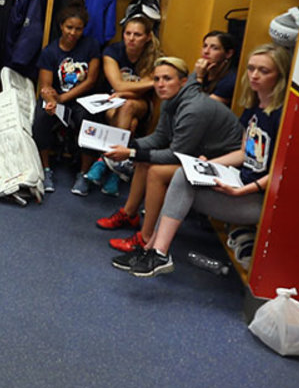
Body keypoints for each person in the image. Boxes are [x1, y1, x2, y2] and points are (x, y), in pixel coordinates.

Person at [115, 45, 289, 276]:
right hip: (237, 180)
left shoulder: (283, 115)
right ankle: (153, 250)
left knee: (173, 177)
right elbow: (243, 153)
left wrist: (245, 190)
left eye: (264, 71)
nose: (254, 75)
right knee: (182, 174)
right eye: (251, 69)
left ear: (280, 75)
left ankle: (155, 251)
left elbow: (284, 170)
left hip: (259, 199)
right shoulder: (254, 109)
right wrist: (211, 164)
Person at [95, 57, 242, 254]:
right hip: (200, 157)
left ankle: (145, 238)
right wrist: (129, 145)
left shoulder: (194, 108)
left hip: (227, 167)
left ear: (183, 82)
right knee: (144, 158)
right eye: (156, 79)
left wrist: (129, 153)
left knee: (156, 171)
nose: (160, 84)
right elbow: (159, 138)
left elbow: (175, 154)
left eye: (167, 79)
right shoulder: (171, 102)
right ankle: (129, 214)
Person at [85, 16, 161, 195]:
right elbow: (118, 86)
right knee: (130, 122)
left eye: (137, 35)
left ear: (148, 37)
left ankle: (104, 160)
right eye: (128, 33)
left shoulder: (155, 58)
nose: (131, 38)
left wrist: (126, 91)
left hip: (141, 105)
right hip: (114, 103)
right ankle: (116, 173)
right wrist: (148, 84)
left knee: (128, 106)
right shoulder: (113, 51)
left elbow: (131, 91)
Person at [32, 6, 102, 195]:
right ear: (61, 26)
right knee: (41, 118)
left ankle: (84, 174)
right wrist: (51, 101)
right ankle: (45, 170)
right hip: (57, 97)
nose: (73, 32)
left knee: (90, 121)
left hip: (82, 99)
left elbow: (90, 81)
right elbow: (45, 86)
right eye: (69, 27)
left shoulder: (91, 46)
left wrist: (62, 98)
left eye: (78, 29)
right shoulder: (50, 51)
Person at [194, 31, 238, 105]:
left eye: (214, 48)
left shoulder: (230, 80)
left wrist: (199, 77)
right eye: (205, 46)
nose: (206, 51)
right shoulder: (203, 70)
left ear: (228, 54)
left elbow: (201, 107)